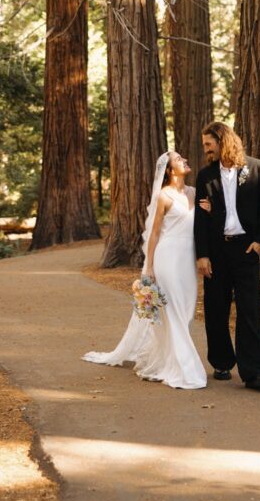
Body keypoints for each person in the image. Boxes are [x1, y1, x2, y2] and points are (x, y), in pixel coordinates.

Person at [83, 151, 206, 390]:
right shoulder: (164, 196)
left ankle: (164, 360)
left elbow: (202, 224)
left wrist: (209, 210)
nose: (185, 161)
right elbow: (155, 233)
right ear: (170, 171)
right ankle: (185, 368)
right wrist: (149, 266)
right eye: (180, 160)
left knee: (186, 311)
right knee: (172, 312)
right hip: (167, 258)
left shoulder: (194, 192)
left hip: (187, 260)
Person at [194, 121, 260, 389]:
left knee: (250, 309)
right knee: (216, 308)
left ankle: (256, 371)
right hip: (217, 251)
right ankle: (221, 361)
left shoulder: (257, 168)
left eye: (209, 144)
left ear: (222, 140)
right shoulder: (205, 176)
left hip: (246, 249)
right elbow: (200, 220)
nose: (206, 149)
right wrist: (202, 255)